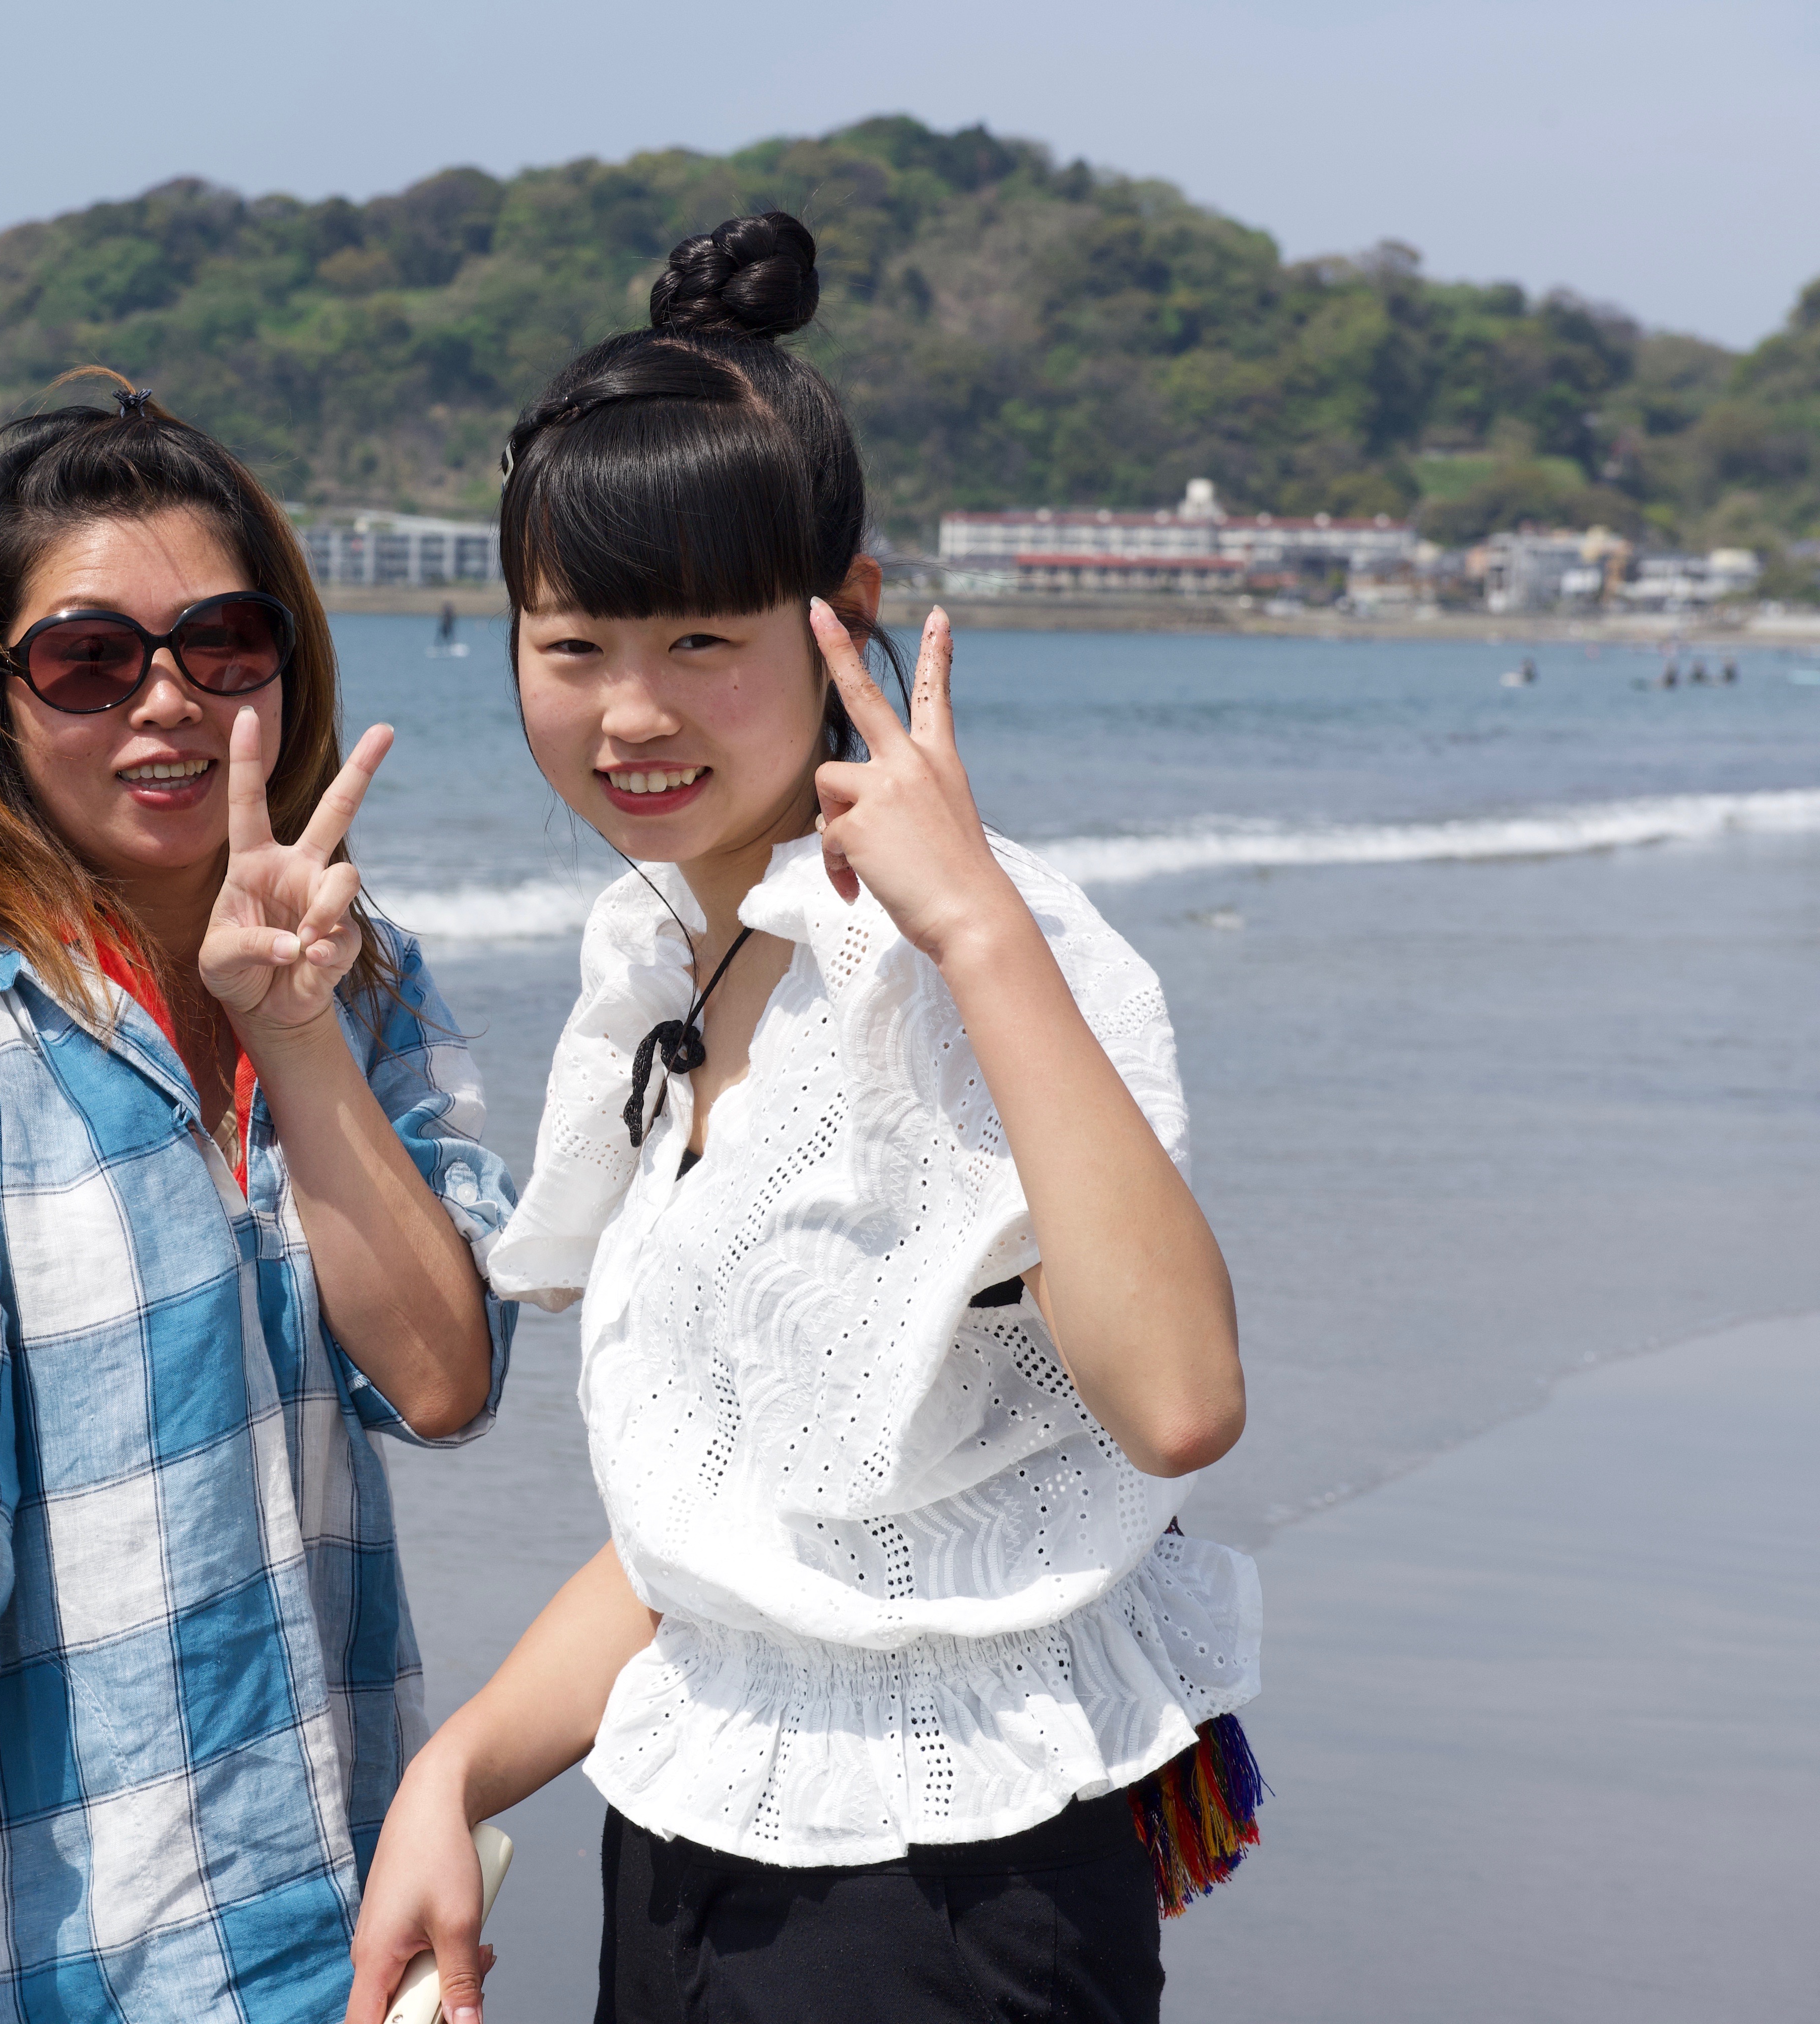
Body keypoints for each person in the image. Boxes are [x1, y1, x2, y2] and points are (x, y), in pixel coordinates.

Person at [346, 214, 1262, 2024]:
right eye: (572, 642)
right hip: (683, 1854)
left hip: (950, 1897)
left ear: (838, 608)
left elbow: (1180, 1404)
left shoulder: (982, 951)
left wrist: (976, 923)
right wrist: (451, 1776)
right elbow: (741, 1530)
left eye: (703, 638)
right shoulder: (665, 955)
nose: (630, 713)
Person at [0, 378, 520, 2024]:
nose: (165, 706)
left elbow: (444, 1384)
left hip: (331, 1928)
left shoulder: (359, 984)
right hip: (28, 1966)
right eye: (91, 661)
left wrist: (292, 1029)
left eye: (221, 645)